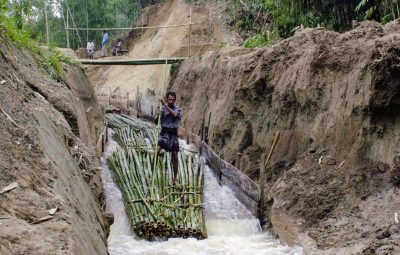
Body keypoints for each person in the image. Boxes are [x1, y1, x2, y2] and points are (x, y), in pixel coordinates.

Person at [157, 92, 182, 185]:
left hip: (173, 134)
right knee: (156, 152)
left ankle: (175, 179)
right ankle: (152, 174)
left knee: (175, 156)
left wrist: (165, 106)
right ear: (167, 99)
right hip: (164, 132)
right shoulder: (163, 109)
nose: (171, 101)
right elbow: (157, 122)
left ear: (175, 99)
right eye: (169, 99)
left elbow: (175, 115)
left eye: (173, 99)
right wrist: (158, 115)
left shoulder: (178, 109)